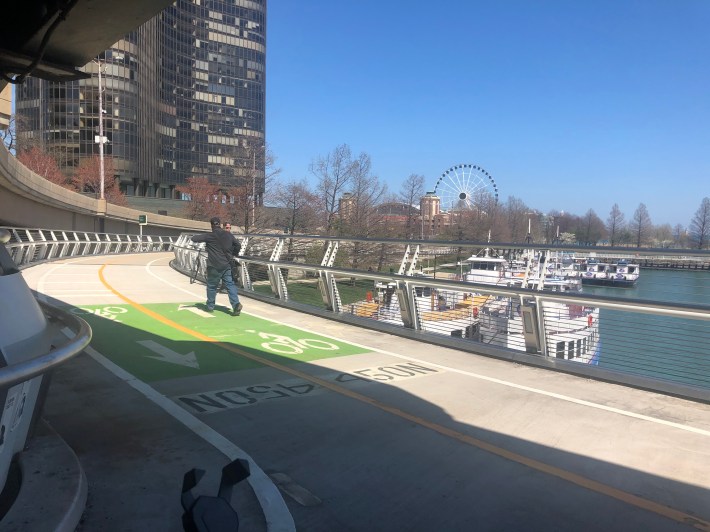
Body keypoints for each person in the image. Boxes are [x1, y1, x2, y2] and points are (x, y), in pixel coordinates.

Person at [191, 217, 243, 315]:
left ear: (211, 225)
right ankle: (236, 304)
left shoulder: (209, 236)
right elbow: (238, 245)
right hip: (226, 264)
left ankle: (210, 306)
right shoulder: (228, 235)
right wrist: (233, 253)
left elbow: (194, 239)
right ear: (220, 224)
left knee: (211, 286)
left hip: (214, 265)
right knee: (230, 285)